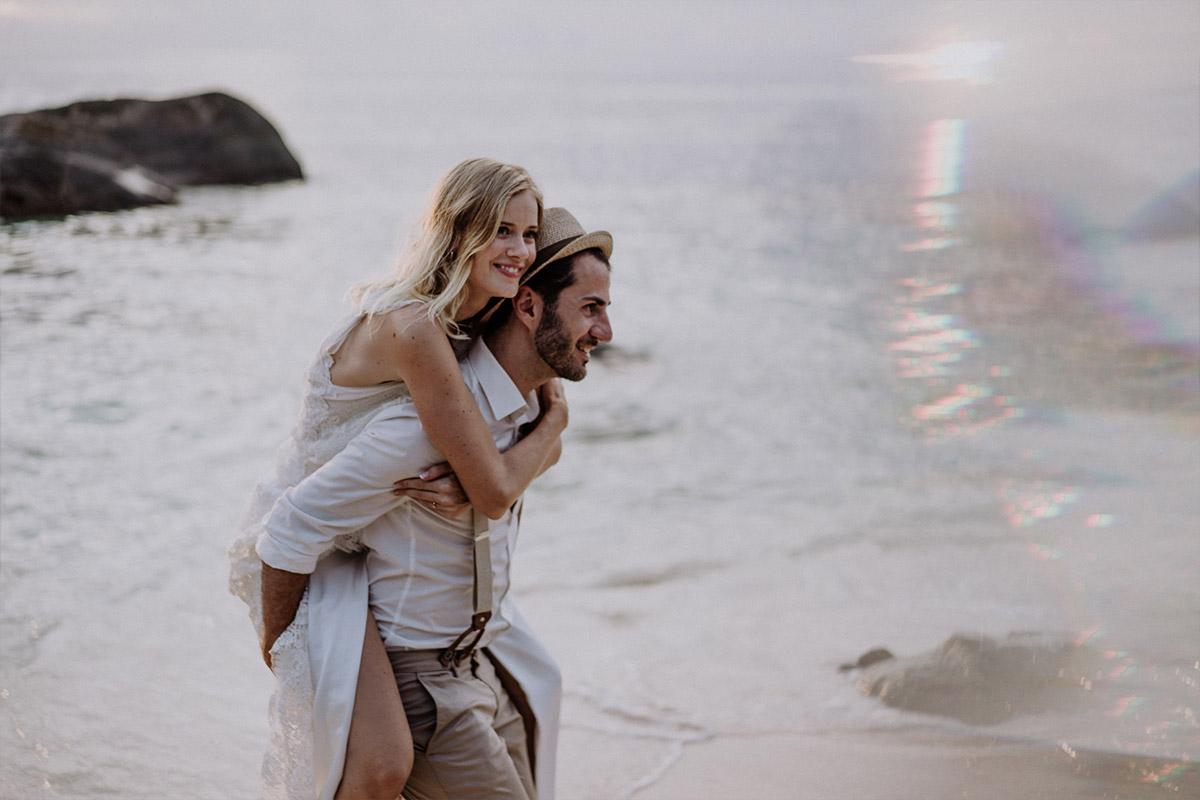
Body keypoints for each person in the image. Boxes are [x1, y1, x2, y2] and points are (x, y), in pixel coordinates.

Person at [228, 159, 567, 800]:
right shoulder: (416, 328)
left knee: (390, 765)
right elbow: (496, 488)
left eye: (529, 234)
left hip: (360, 544)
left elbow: (495, 464)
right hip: (303, 551)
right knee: (381, 766)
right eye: (501, 230)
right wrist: (554, 424)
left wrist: (500, 461)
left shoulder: (478, 320)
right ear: (457, 230)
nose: (520, 250)